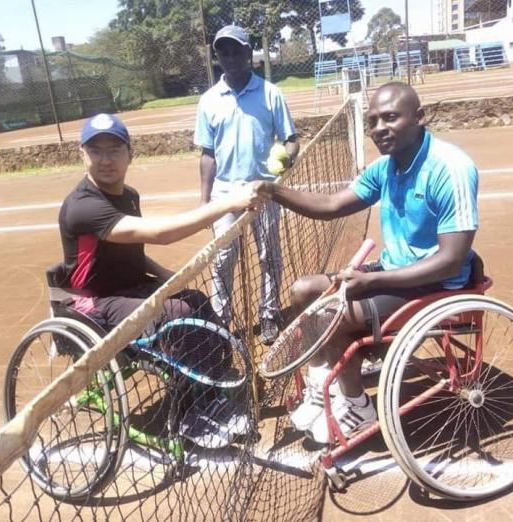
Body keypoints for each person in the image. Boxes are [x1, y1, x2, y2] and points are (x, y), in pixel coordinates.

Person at [258, 82, 479, 444]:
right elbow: (331, 206)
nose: (379, 129)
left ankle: (358, 407)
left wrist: (373, 282)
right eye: (373, 121)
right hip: (395, 272)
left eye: (390, 118)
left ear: (419, 117)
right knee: (304, 292)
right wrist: (271, 190)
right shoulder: (386, 167)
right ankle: (320, 387)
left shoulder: (450, 168)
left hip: (436, 284)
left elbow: (451, 261)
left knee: (330, 315)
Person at [58, 113, 267, 448]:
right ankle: (188, 414)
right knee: (175, 316)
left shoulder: (128, 195)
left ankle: (209, 390)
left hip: (130, 286)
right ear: (82, 154)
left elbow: (129, 253)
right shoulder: (83, 206)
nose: (106, 159)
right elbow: (161, 234)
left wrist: (167, 276)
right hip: (94, 302)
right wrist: (227, 203)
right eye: (96, 151)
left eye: (115, 149)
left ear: (130, 153)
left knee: (196, 300)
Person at [194, 25, 300, 345]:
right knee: (223, 260)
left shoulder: (271, 93)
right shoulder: (209, 101)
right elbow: (207, 154)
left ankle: (268, 315)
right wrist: (205, 202)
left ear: (248, 52)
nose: (230, 57)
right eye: (223, 51)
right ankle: (221, 325)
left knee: (269, 255)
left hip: (264, 190)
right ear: (218, 57)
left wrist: (286, 160)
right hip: (225, 192)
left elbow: (291, 141)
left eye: (236, 50)